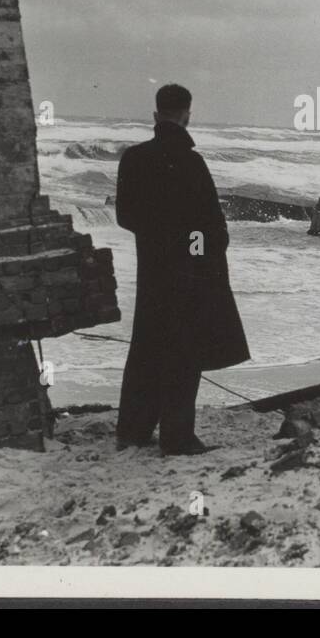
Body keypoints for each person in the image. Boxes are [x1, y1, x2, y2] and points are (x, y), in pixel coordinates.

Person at [114, 83, 250, 455]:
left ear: (156, 115)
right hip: (188, 273)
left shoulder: (133, 158)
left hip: (151, 270)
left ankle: (132, 431)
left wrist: (157, 239)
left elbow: (125, 217)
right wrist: (194, 250)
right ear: (187, 115)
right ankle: (177, 437)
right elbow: (210, 226)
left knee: (145, 347)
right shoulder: (192, 162)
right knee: (183, 353)